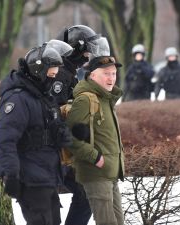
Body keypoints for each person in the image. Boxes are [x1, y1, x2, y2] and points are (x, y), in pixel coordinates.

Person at [0, 40, 73, 225]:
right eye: (50, 74)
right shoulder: (18, 99)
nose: (53, 79)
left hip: (47, 174)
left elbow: (51, 127)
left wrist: (67, 135)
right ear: (38, 71)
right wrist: (11, 174)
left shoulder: (43, 97)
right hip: (30, 177)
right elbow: (5, 139)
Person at [54, 25, 110, 225]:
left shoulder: (67, 72)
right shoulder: (59, 74)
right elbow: (53, 112)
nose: (89, 56)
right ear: (75, 49)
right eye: (87, 51)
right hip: (51, 152)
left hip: (61, 148)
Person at [66, 56, 125, 225]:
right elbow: (69, 137)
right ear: (92, 75)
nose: (111, 78)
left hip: (111, 173)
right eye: (106, 73)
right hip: (96, 174)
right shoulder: (86, 100)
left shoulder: (106, 98)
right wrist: (96, 158)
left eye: (114, 73)